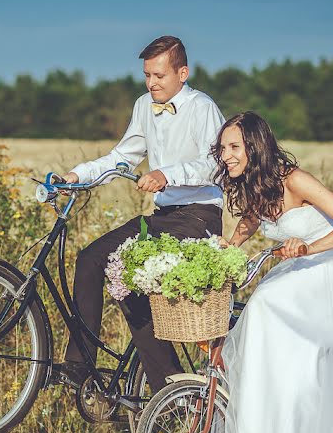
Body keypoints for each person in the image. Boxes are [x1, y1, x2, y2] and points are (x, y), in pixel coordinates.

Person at [209, 111, 333, 433]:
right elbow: (251, 220)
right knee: (261, 316)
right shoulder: (255, 184)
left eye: (234, 147)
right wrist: (229, 248)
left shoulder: (294, 180)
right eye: (223, 148)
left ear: (255, 147)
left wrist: (308, 247)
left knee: (268, 307)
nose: (226, 155)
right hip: (302, 267)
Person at [59, 36, 225, 392]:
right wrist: (77, 176)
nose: (152, 83)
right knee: (94, 261)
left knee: (128, 280)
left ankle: (170, 390)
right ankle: (81, 365)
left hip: (199, 218)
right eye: (147, 75)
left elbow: (216, 164)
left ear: (183, 73)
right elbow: (122, 157)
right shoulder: (143, 106)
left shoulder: (202, 107)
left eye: (160, 75)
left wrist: (168, 175)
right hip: (164, 217)